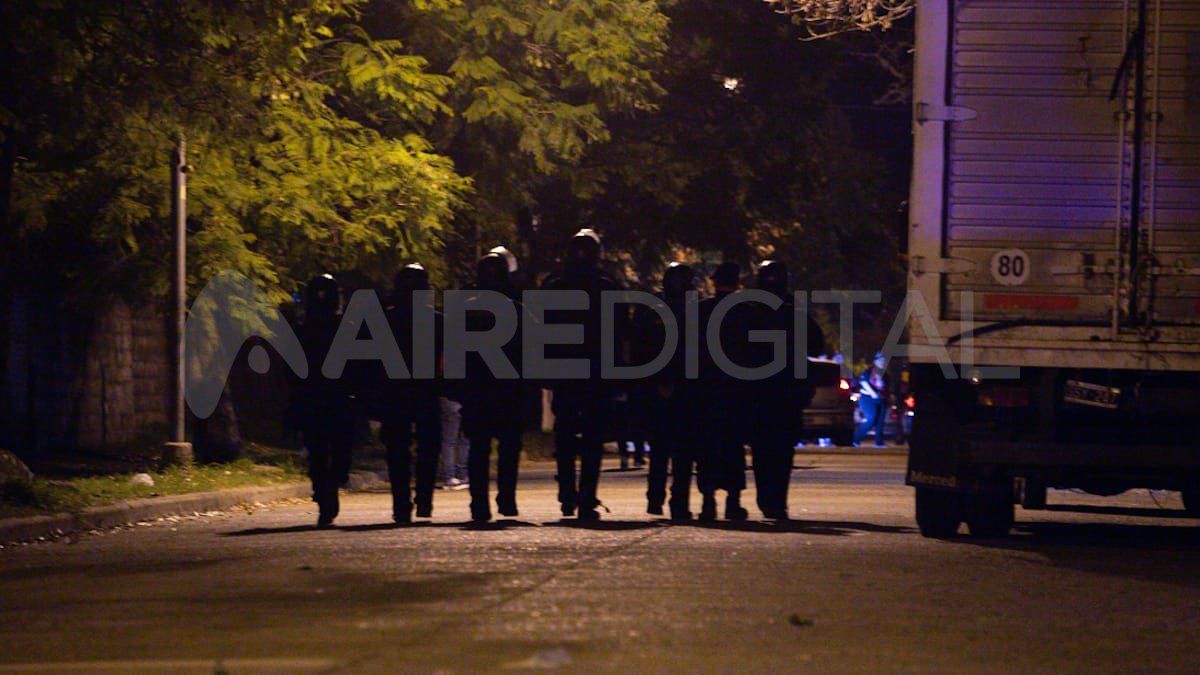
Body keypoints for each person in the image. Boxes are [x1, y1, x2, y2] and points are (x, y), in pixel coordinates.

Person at [541, 229, 623, 521]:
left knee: (566, 437)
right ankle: (584, 497)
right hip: (594, 374)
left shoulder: (554, 285)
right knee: (590, 439)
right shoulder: (606, 285)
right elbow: (619, 332)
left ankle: (569, 493)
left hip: (568, 373)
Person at [746, 260, 824, 521]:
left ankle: (770, 500)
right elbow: (816, 345)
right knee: (779, 450)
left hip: (764, 391)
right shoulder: (791, 311)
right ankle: (775, 501)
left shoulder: (749, 310)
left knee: (764, 449)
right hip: (780, 391)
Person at [460, 251, 526, 522]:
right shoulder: (517, 307)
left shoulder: (467, 306)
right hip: (499, 388)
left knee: (483, 448)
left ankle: (484, 503)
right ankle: (500, 500)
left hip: (486, 389)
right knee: (501, 447)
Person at [631, 262, 698, 519]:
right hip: (672, 387)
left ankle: (664, 498)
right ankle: (669, 500)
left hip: (674, 387)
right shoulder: (687, 310)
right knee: (674, 449)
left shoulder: (657, 309)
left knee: (667, 448)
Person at [379, 263, 442, 523]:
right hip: (423, 391)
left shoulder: (385, 319)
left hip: (397, 393)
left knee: (399, 451)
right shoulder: (437, 320)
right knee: (426, 447)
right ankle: (422, 499)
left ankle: (403, 503)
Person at [291, 274, 355, 527]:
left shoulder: (343, 326)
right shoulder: (304, 328)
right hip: (318, 397)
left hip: (334, 397)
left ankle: (328, 487)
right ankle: (324, 493)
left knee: (336, 451)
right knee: (321, 450)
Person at [696, 262, 751, 521]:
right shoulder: (745, 313)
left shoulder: (700, 311)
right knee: (733, 446)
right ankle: (733, 502)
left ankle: (708, 501)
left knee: (707, 446)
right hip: (736, 390)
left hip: (706, 391)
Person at [853, 352, 890, 448]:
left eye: (884, 360)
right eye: (880, 360)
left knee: (880, 421)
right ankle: (855, 438)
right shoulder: (869, 371)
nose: (882, 362)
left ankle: (879, 442)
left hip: (881, 399)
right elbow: (864, 383)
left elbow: (887, 387)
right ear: (875, 361)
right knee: (872, 418)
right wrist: (874, 394)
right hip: (867, 399)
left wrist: (888, 397)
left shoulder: (885, 374)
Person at [437, 397, 470, 490]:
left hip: (449, 402)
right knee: (464, 441)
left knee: (449, 442)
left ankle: (450, 477)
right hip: (465, 403)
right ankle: (462, 475)